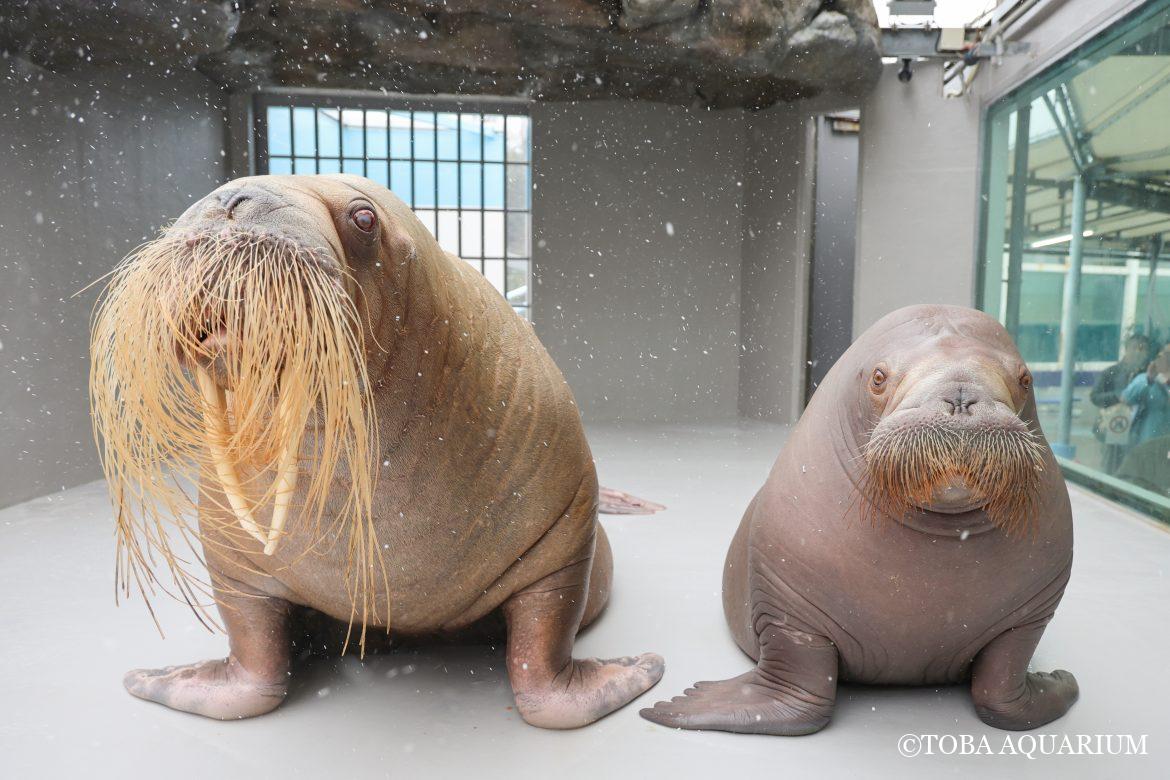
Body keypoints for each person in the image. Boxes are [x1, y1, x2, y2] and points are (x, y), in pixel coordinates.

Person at [1091, 334, 1150, 473]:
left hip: (1137, 431)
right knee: (1111, 467)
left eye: (1143, 349)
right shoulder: (1111, 372)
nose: (1138, 352)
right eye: (1134, 347)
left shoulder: (1148, 376)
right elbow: (1094, 397)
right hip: (1114, 426)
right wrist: (1118, 396)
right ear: (1126, 349)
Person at [1121, 342, 1170, 446]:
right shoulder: (1144, 379)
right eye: (1166, 355)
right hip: (1150, 442)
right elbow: (1126, 399)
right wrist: (1149, 379)